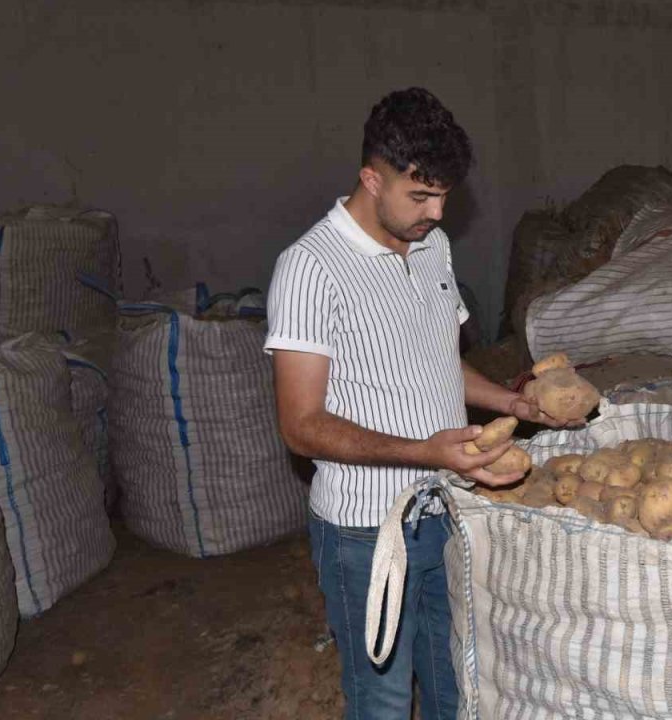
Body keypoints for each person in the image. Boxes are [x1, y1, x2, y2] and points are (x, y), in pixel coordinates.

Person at [264, 87, 568, 720]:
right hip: (364, 532)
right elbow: (301, 425)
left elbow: (439, 363)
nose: (435, 211)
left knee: (452, 680)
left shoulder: (433, 246)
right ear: (371, 179)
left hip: (444, 509)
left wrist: (515, 402)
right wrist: (421, 451)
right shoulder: (309, 269)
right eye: (420, 196)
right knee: (381, 698)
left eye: (444, 196)